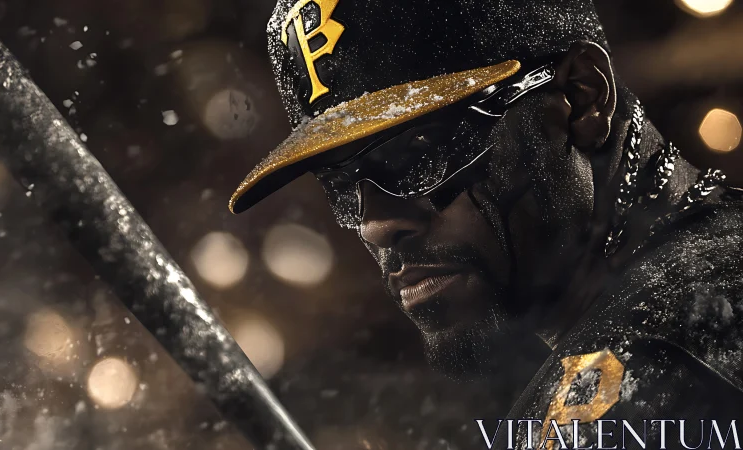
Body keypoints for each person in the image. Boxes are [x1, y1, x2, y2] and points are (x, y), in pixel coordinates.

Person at [229, 0, 743, 447]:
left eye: (418, 153)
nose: (376, 225)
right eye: (342, 185)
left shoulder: (640, 375)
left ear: (582, 98)